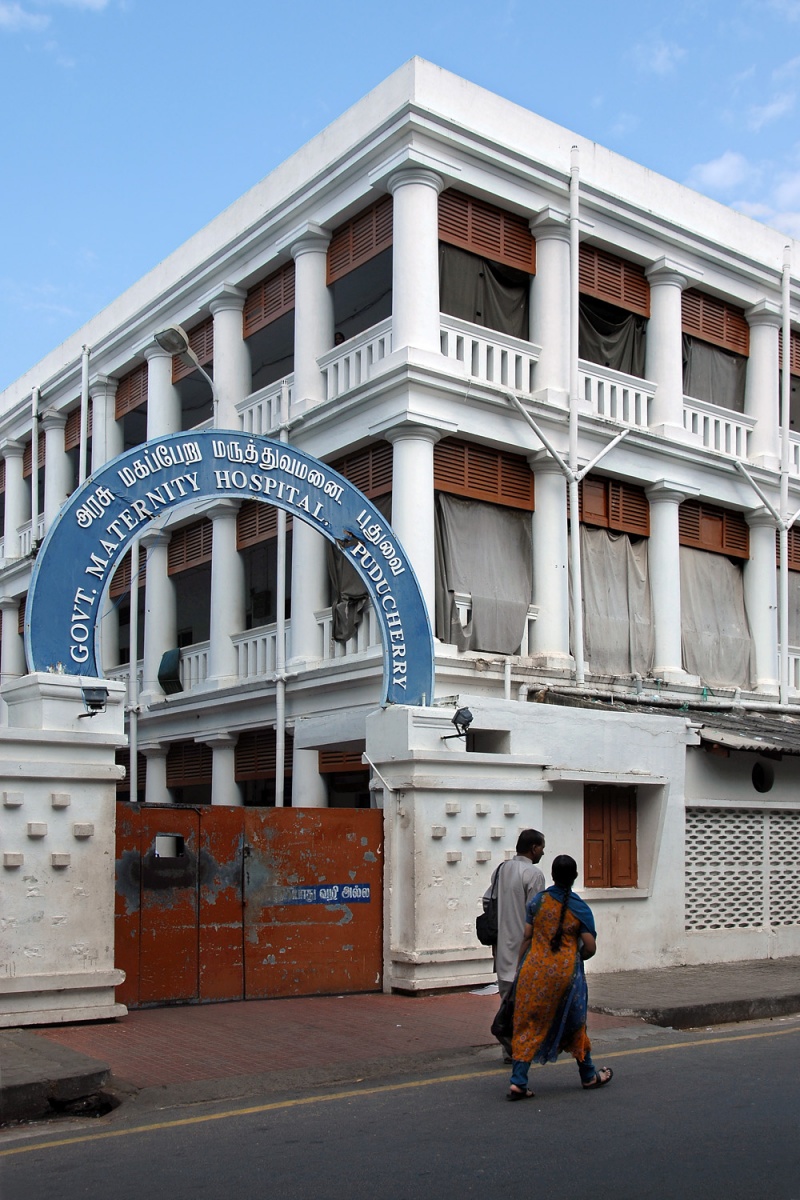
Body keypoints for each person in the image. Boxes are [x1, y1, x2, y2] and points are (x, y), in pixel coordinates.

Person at [507, 853, 613, 1100]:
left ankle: (518, 1082)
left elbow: (526, 937)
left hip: (533, 971)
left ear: (553, 876)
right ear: (575, 877)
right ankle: (588, 1075)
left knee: (527, 1024)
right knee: (575, 1023)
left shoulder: (538, 902)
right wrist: (576, 957)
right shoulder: (580, 908)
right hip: (565, 976)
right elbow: (590, 946)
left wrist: (519, 968)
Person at [484, 829, 546, 1001]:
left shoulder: (501, 869)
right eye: (542, 847)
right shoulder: (534, 874)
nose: (543, 852)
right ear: (534, 848)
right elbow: (537, 915)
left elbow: (487, 901)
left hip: (502, 950)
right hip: (524, 952)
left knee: (506, 1005)